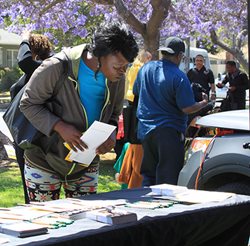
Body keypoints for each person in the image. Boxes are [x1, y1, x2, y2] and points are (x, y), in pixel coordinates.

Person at [20, 21, 138, 202]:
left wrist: (112, 133)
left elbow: (114, 113)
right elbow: (28, 104)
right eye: (118, 66)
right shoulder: (56, 66)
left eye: (126, 67)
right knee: (45, 224)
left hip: (86, 163)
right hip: (44, 160)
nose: (123, 72)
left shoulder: (118, 78)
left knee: (86, 225)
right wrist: (59, 126)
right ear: (100, 55)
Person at [133, 37, 208, 186]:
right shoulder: (179, 76)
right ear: (180, 56)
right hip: (169, 132)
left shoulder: (146, 68)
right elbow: (187, 108)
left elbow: (136, 91)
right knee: (167, 179)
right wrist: (203, 103)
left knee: (148, 176)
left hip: (146, 131)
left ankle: (148, 207)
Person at [10, 31, 52, 204]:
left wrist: (24, 39)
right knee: (29, 188)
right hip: (22, 134)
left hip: (35, 134)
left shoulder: (43, 68)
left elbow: (24, 61)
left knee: (39, 188)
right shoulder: (34, 71)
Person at [114, 50, 152, 189]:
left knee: (130, 141)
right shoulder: (143, 68)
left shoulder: (131, 67)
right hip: (138, 101)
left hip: (129, 100)